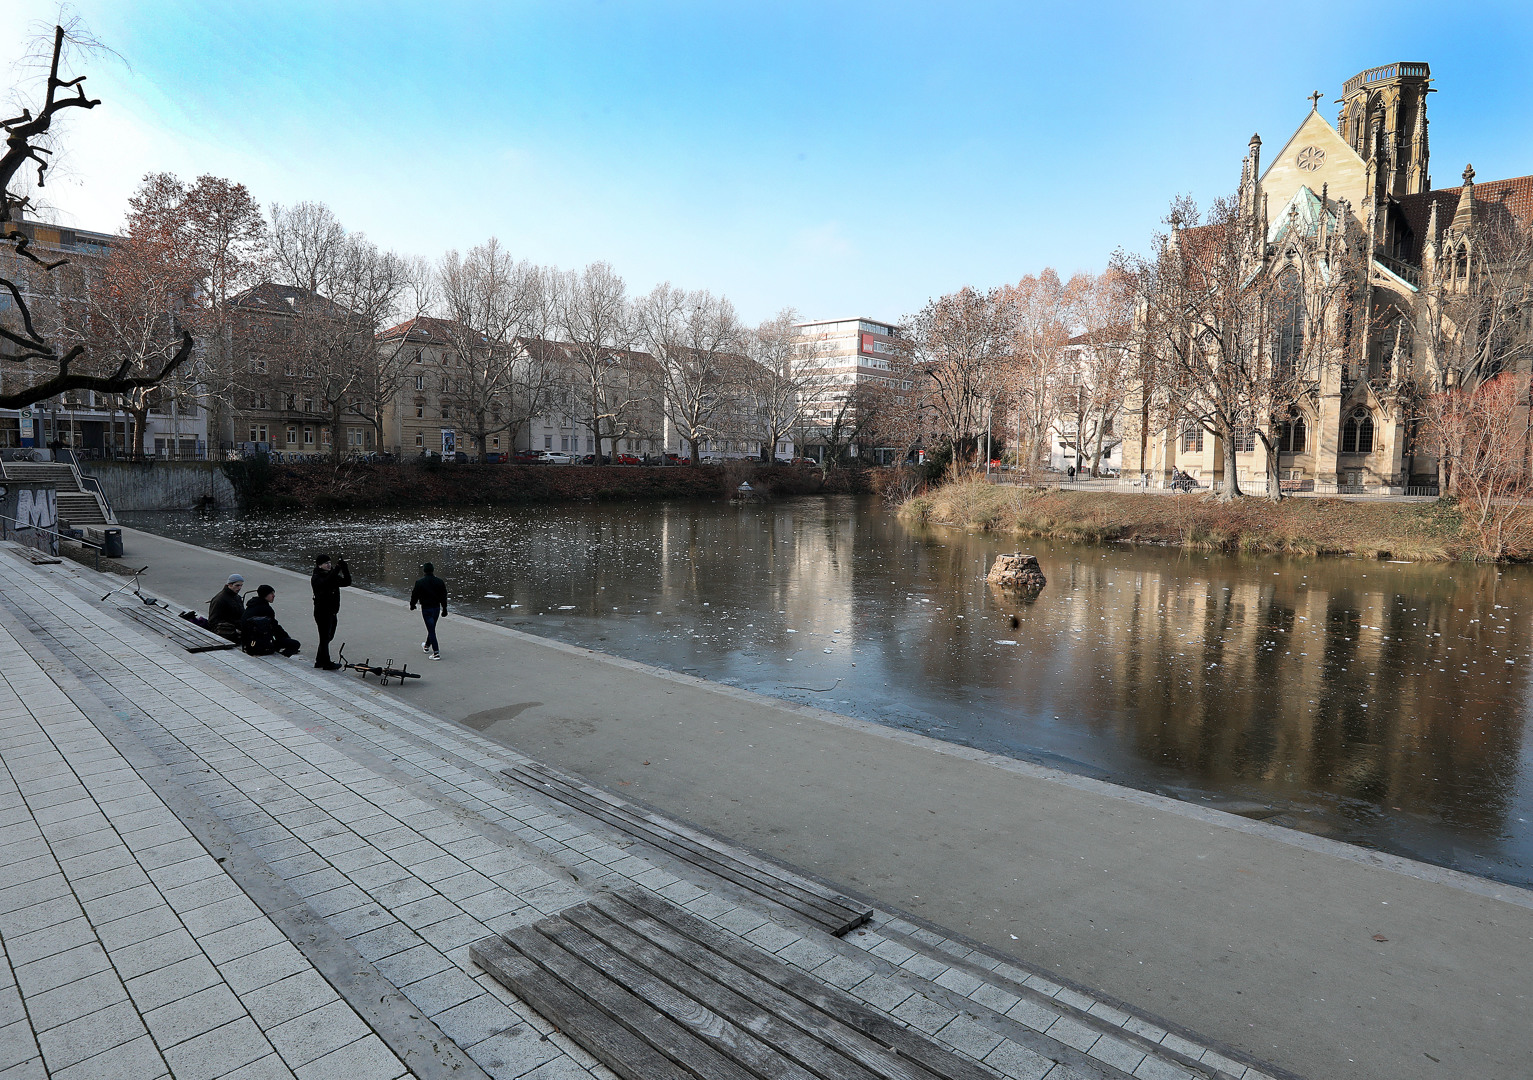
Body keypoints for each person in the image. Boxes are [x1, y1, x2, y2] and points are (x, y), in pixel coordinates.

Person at [310, 553, 351, 670]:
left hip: (332, 611)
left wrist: (344, 568)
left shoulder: (331, 575)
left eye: (329, 563)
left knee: (328, 637)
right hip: (322, 612)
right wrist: (337, 568)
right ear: (319, 565)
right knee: (324, 637)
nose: (329, 565)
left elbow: (347, 582)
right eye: (326, 563)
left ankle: (320, 661)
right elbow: (326, 583)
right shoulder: (317, 577)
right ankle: (326, 662)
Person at [242, 585, 301, 657]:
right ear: (265, 595)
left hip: (249, 641)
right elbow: (275, 627)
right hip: (261, 642)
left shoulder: (252, 604)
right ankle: (282, 658)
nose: (274, 596)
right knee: (295, 644)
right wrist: (286, 638)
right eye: (271, 594)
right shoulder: (266, 609)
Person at [409, 562, 448, 660]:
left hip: (426, 609)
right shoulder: (439, 582)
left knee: (431, 630)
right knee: (432, 628)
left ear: (424, 571)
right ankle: (426, 646)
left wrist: (412, 605)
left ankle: (436, 653)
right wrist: (445, 609)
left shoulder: (420, 582)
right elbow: (443, 596)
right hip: (436, 608)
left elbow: (415, 595)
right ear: (433, 570)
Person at [207, 574, 246, 643]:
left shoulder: (237, 597)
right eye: (237, 585)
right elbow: (213, 621)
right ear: (229, 585)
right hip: (227, 632)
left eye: (241, 585)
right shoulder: (220, 599)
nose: (239, 588)